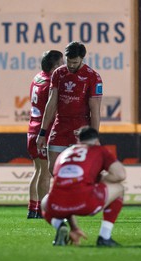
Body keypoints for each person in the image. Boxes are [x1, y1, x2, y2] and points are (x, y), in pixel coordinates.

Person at [42, 126, 126, 247]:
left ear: (78, 141)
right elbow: (120, 175)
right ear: (96, 141)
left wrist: (74, 227)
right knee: (119, 188)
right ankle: (104, 237)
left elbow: (67, 188)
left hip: (57, 205)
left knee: (45, 203)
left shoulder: (66, 153)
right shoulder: (99, 150)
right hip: (86, 203)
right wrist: (98, 180)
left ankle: (60, 225)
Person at [36, 41, 103, 175]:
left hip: (80, 128)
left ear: (82, 59)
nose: (71, 65)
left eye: (75, 62)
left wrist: (94, 137)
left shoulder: (93, 77)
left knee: (80, 171)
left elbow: (95, 111)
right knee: (53, 169)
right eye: (68, 61)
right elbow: (51, 103)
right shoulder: (58, 74)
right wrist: (42, 132)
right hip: (60, 126)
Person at [26, 50, 64, 219]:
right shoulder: (51, 82)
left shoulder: (37, 78)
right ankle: (43, 210)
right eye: (61, 63)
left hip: (32, 129)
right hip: (43, 130)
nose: (64, 66)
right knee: (45, 173)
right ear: (55, 66)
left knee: (38, 170)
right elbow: (53, 107)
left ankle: (32, 208)